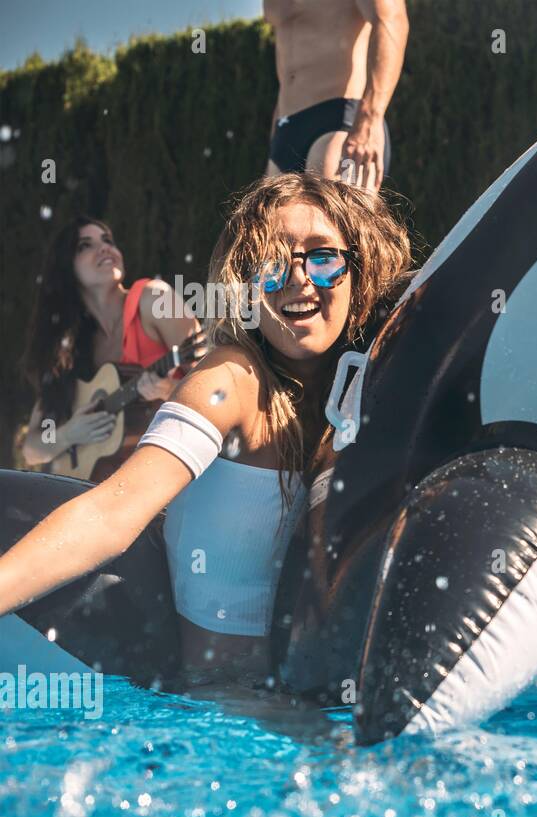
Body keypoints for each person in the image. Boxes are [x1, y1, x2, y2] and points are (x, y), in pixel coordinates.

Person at [0, 174, 412, 684]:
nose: (300, 278)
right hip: (210, 710)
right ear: (247, 286)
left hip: (302, 698)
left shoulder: (362, 396)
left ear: (359, 269)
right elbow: (112, 513)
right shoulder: (230, 378)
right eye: (274, 262)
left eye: (322, 256)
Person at [19, 217, 199, 478]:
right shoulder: (71, 351)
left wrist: (169, 390)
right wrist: (69, 434)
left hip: (184, 465)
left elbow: (216, 391)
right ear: (65, 269)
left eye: (107, 240)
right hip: (126, 482)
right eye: (85, 245)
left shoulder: (154, 300)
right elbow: (32, 449)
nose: (105, 248)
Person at [264, 0, 408, 191]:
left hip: (340, 125)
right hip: (286, 129)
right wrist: (277, 132)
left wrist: (369, 119)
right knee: (269, 220)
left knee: (337, 220)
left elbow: (392, 21)